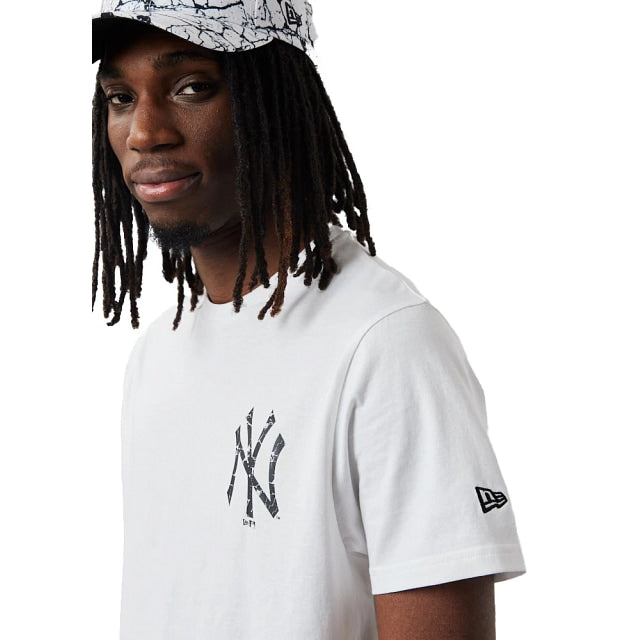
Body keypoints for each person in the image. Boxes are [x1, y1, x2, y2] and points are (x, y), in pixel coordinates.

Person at [92, 1, 525, 638]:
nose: (145, 133)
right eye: (121, 98)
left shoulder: (385, 343)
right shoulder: (157, 354)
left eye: (192, 88)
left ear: (278, 99)